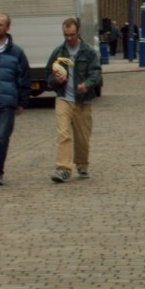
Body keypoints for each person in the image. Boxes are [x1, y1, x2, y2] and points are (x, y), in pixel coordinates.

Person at [46, 17, 102, 183]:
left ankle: (82, 164)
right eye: (66, 35)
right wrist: (55, 80)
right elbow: (48, 75)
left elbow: (96, 73)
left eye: (71, 34)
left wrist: (87, 84)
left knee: (82, 137)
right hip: (63, 98)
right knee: (63, 134)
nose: (69, 38)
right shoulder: (58, 52)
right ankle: (63, 169)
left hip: (83, 100)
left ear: (78, 32)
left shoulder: (88, 52)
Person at [0, 13, 31, 186]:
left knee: (1, 137)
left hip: (7, 103)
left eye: (0, 24)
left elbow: (24, 77)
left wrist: (22, 101)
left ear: (7, 28)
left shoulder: (17, 52)